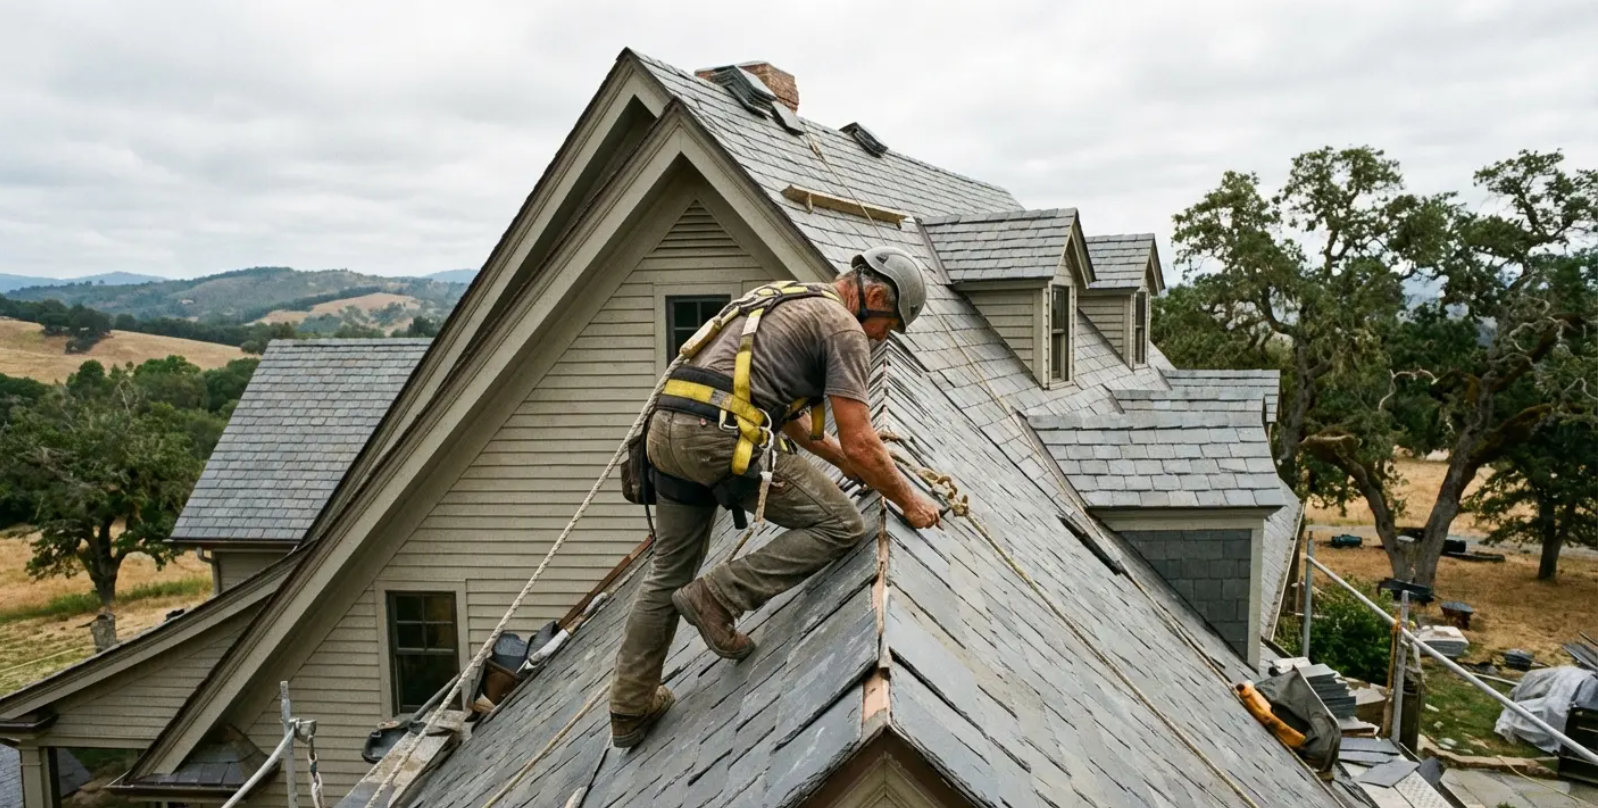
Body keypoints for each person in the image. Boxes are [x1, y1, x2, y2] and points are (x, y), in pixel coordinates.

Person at [609, 246, 945, 748]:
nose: (881, 339)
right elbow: (861, 439)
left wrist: (850, 466)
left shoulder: (786, 299)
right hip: (717, 437)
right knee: (842, 525)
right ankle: (718, 596)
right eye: (888, 327)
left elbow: (797, 428)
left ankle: (630, 710)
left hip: (667, 432)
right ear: (874, 296)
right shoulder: (844, 329)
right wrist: (911, 502)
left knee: (668, 572)